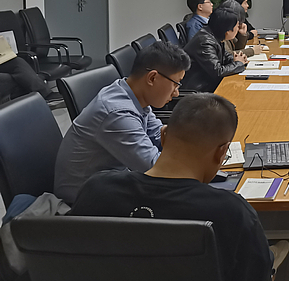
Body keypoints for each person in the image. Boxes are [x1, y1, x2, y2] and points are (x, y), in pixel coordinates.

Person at [69, 93, 288, 281]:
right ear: (222, 152)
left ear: (163, 136)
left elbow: (69, 264)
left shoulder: (97, 190)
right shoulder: (231, 212)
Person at [54, 42, 190, 204]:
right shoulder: (117, 112)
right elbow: (156, 168)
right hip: (85, 203)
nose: (176, 93)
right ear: (152, 78)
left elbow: (159, 135)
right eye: (175, 84)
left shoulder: (133, 94)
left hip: (113, 185)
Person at [182, 7, 248, 92]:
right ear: (228, 30)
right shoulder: (205, 42)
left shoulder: (214, 35)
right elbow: (218, 72)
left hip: (208, 82)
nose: (238, 29)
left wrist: (237, 59)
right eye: (237, 27)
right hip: (199, 89)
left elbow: (224, 56)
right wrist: (238, 63)